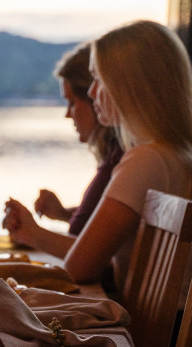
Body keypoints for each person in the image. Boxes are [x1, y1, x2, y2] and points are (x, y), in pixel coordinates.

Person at [3, 19, 192, 292]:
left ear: (129, 86)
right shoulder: (184, 149)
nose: (92, 92)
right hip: (174, 323)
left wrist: (32, 233)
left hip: (146, 331)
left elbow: (78, 268)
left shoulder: (146, 161)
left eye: (99, 79)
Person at [8, 41, 123, 237]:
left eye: (72, 103)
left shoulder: (121, 159)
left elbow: (92, 258)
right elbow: (104, 231)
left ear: (94, 99)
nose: (68, 115)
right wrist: (63, 214)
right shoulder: (115, 154)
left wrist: (32, 233)